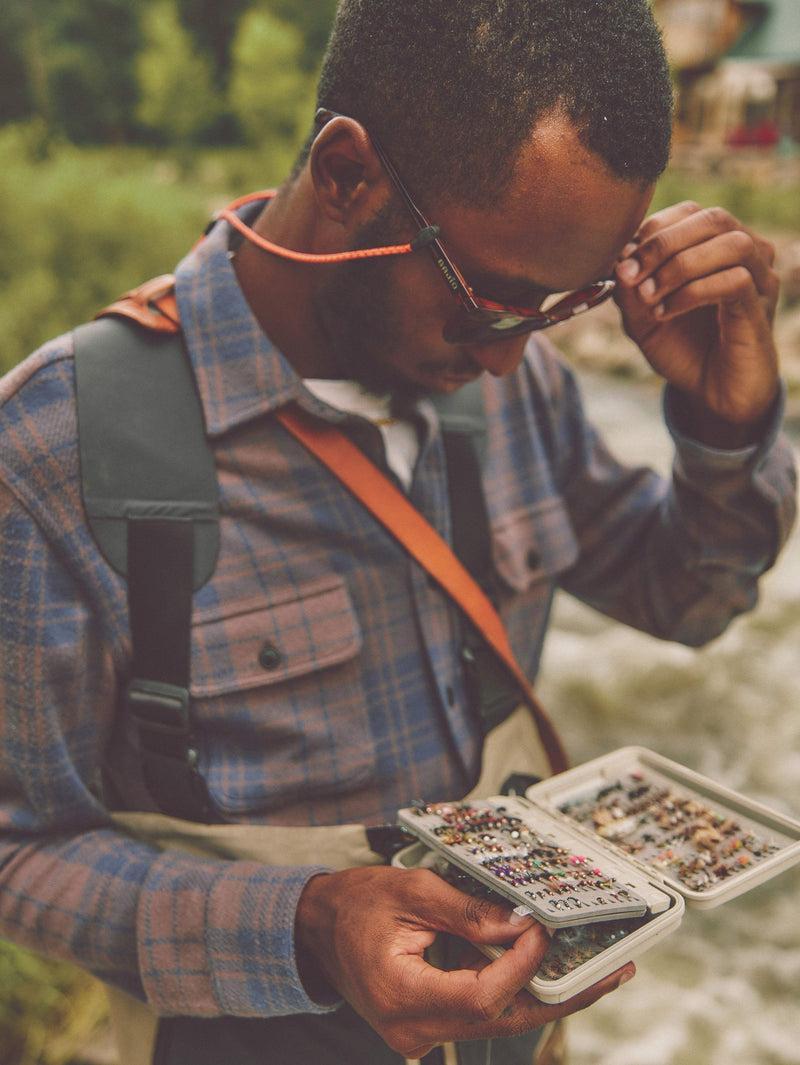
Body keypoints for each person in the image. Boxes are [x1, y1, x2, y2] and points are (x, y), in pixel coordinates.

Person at [0, 2, 795, 1064]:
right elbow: (17, 849)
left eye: (559, 308)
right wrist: (309, 926)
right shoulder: (57, 447)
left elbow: (686, 605)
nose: (511, 360)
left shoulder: (519, 383)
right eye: (491, 303)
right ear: (345, 175)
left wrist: (722, 427)